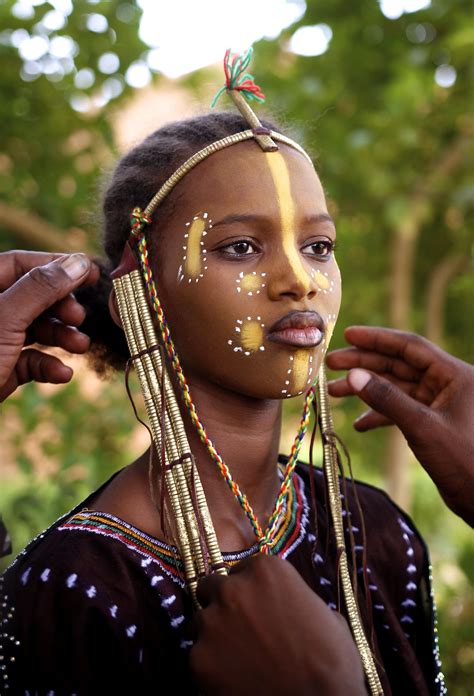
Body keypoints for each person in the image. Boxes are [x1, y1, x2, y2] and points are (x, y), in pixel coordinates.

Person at [0, 71, 456, 692]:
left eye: (319, 245)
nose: (300, 280)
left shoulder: (375, 531)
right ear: (144, 282)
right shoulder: (79, 583)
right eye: (241, 247)